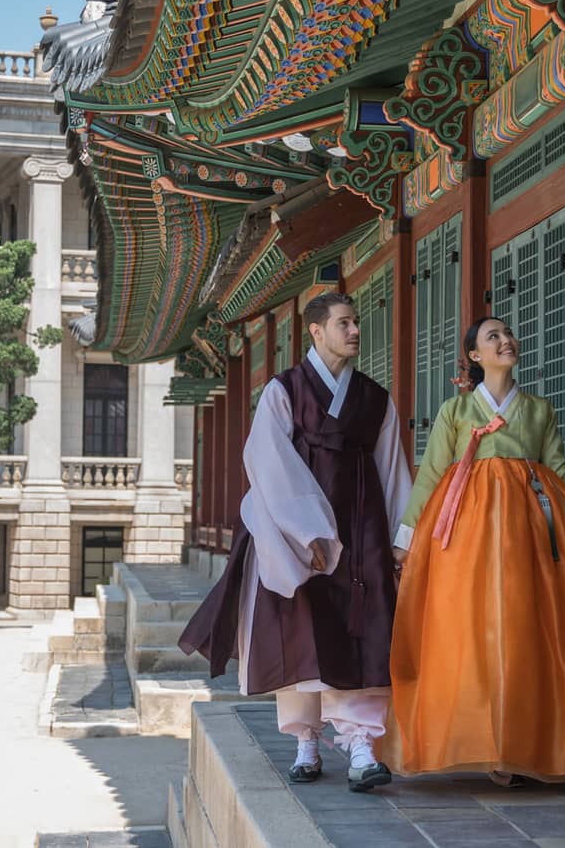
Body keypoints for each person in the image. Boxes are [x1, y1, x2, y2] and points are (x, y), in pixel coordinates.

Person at [382, 316, 565, 785]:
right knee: (475, 632)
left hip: (529, 536)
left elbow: (563, 472)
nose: (506, 341)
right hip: (467, 539)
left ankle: (522, 741)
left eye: (507, 334)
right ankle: (488, 744)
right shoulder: (456, 411)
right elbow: (431, 478)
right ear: (474, 356)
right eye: (493, 337)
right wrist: (406, 541)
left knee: (526, 630)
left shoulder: (539, 410)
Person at [179, 292, 413, 792]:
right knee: (302, 637)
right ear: (316, 331)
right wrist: (306, 532)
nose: (354, 331)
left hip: (361, 529)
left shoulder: (375, 399)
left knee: (363, 633)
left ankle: (362, 747)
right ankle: (306, 739)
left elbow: (393, 470)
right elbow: (267, 462)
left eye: (355, 323)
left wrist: (399, 540)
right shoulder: (284, 391)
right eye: (344, 323)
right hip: (296, 533)